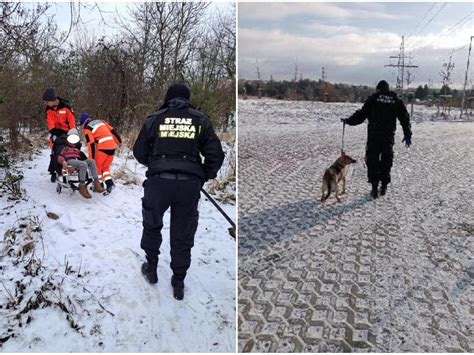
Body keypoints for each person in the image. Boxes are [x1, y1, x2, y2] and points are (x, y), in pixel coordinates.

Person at [133, 84, 224, 300]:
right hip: (188, 185)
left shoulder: (154, 119)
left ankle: (152, 268)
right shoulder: (200, 120)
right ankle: (179, 280)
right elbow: (216, 155)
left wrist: (156, 164)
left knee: (152, 224)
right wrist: (203, 174)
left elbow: (139, 152)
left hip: (158, 183)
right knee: (183, 232)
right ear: (187, 99)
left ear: (167, 98)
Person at [342, 80, 412, 199]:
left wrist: (348, 121)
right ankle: (383, 186)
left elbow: (361, 115)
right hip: (388, 137)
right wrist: (407, 134)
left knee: (372, 160)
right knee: (386, 160)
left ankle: (374, 187)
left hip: (374, 136)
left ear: (378, 89)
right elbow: (404, 118)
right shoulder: (395, 101)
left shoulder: (373, 99)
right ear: (388, 89)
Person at [79, 113, 122, 194]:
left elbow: (90, 144)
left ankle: (99, 186)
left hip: (103, 148)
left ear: (83, 123)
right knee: (105, 168)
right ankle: (110, 184)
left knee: (96, 167)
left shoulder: (88, 128)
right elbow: (113, 131)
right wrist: (119, 142)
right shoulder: (101, 121)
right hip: (112, 147)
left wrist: (91, 158)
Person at [57, 129, 105, 199]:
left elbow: (83, 158)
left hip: (77, 161)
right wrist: (63, 161)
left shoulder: (76, 148)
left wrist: (79, 152)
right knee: (83, 164)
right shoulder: (64, 147)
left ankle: (96, 183)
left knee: (92, 161)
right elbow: (58, 156)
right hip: (69, 161)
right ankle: (82, 186)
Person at [43, 88, 76, 183]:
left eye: (46, 102)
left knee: (68, 152)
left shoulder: (66, 107)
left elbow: (72, 121)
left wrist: (72, 133)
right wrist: (54, 133)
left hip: (68, 133)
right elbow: (50, 124)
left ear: (52, 100)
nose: (46, 104)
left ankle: (67, 171)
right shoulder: (49, 110)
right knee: (55, 152)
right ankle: (54, 172)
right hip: (56, 134)